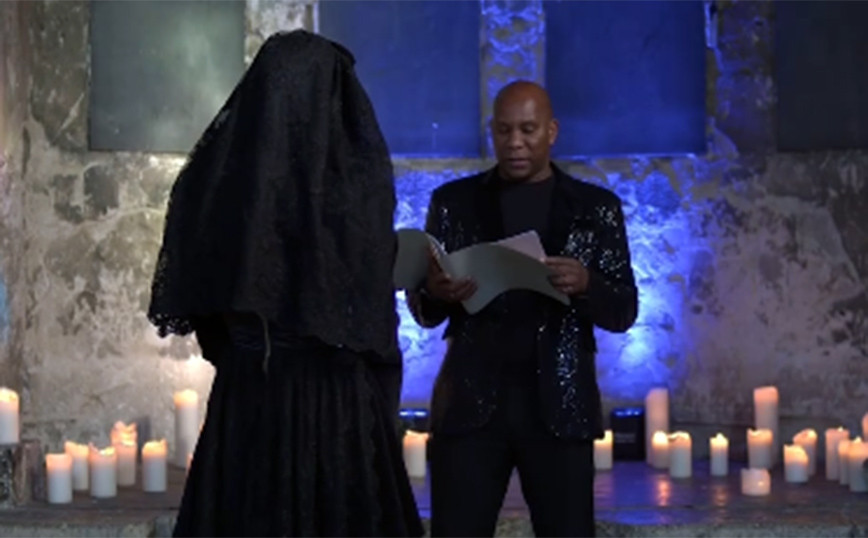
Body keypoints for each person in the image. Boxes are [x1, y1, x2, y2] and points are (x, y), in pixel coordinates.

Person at [147, 30, 424, 537]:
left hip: (248, 401)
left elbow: (206, 309)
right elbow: (373, 326)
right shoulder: (356, 187)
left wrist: (251, 349)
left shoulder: (217, 181)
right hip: (337, 411)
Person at [407, 80, 638, 537]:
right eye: (504, 130)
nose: (515, 142)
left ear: (551, 132)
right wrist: (435, 290)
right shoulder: (453, 203)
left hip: (560, 404)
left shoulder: (596, 209)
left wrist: (587, 283)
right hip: (472, 402)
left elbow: (623, 311)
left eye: (528, 130)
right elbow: (425, 312)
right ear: (491, 131)